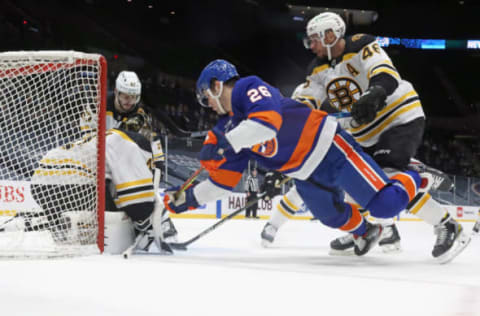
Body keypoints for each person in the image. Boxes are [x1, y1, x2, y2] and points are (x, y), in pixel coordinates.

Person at [260, 12, 470, 262]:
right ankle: (372, 227)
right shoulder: (316, 69)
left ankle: (447, 225)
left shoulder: (362, 44)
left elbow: (385, 74)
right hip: (364, 133)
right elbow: (304, 106)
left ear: (330, 35)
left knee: (389, 177)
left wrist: (376, 92)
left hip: (399, 118)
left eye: (314, 39)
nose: (310, 45)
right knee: (357, 182)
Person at [163, 59, 425, 256]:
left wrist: (224, 144)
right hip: (305, 173)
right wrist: (188, 198)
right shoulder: (227, 128)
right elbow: (223, 183)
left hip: (330, 149)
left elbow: (267, 123)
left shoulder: (247, 86)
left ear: (217, 85)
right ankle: (366, 231)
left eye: (206, 97)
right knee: (331, 216)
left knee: (384, 205)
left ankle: (415, 174)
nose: (208, 105)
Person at [26, 127, 172, 254]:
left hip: (40, 181)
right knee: (114, 214)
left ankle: (40, 221)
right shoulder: (132, 146)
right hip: (71, 183)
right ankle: (50, 222)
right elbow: (136, 204)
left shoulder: (112, 136)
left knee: (107, 196)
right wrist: (147, 224)